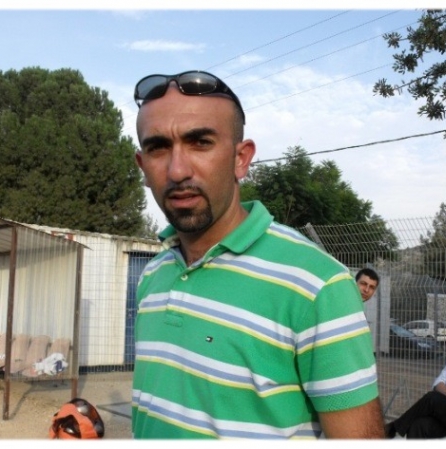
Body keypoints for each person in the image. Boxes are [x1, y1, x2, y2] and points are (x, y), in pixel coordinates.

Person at [131, 70, 385, 439]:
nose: (177, 170)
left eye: (200, 143)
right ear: (142, 167)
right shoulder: (153, 274)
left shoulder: (317, 285)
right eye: (158, 148)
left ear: (241, 158)